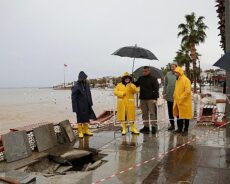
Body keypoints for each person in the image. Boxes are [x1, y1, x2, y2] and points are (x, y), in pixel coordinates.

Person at [71, 71, 96, 138]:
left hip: (87, 105)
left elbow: (89, 94)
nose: (85, 79)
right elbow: (73, 98)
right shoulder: (76, 86)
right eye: (84, 78)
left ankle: (86, 130)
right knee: (80, 119)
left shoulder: (87, 84)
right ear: (81, 78)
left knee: (86, 118)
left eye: (85, 78)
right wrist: (75, 108)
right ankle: (80, 132)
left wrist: (90, 102)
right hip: (79, 106)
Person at [135, 66, 159, 134]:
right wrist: (132, 80)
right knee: (144, 114)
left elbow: (156, 89)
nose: (144, 72)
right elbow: (135, 85)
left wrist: (155, 98)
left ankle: (154, 127)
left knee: (152, 113)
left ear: (149, 71)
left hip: (151, 99)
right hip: (142, 99)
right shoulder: (140, 78)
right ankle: (146, 127)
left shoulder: (153, 79)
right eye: (143, 71)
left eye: (145, 71)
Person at [173, 67, 192, 136]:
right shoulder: (177, 80)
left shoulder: (186, 80)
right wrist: (174, 96)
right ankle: (179, 129)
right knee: (179, 116)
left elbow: (187, 91)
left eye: (176, 72)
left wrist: (180, 98)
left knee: (186, 117)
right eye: (175, 72)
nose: (175, 74)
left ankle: (186, 130)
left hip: (185, 102)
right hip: (178, 102)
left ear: (180, 72)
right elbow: (176, 90)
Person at [163, 62, 177, 131]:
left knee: (177, 111)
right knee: (170, 111)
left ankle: (180, 126)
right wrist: (164, 93)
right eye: (171, 67)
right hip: (169, 95)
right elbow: (165, 84)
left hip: (177, 96)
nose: (172, 68)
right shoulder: (167, 74)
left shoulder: (178, 74)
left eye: (173, 67)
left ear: (176, 67)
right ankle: (172, 125)